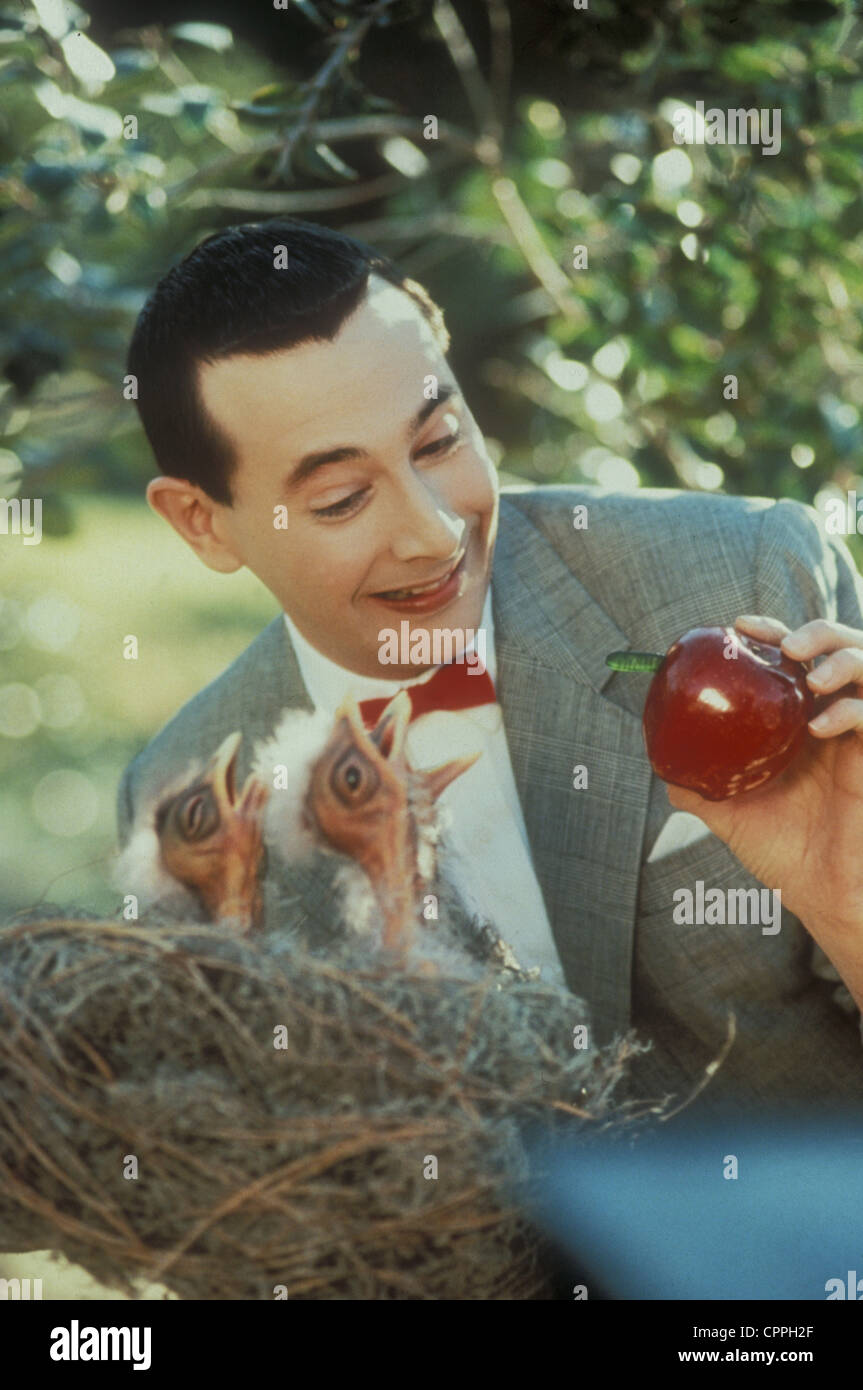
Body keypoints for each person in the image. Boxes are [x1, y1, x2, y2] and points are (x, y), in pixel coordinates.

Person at [117, 216, 863, 1113]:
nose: (435, 533)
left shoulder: (743, 576)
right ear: (202, 521)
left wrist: (845, 899)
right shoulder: (187, 805)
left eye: (438, 442)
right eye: (342, 498)